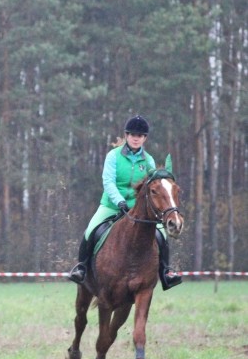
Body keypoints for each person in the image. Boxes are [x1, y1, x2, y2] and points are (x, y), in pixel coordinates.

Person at [68, 115, 182, 290]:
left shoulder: (149, 160)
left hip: (138, 208)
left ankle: (166, 272)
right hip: (111, 205)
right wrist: (119, 201)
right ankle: (82, 268)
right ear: (127, 136)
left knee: (161, 235)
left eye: (140, 135)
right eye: (133, 134)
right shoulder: (113, 156)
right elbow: (108, 182)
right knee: (91, 229)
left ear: (145, 138)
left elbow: (153, 186)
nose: (136, 138)